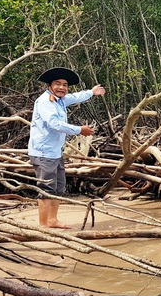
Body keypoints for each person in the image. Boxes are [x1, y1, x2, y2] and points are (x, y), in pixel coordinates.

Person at [28, 67, 105, 228]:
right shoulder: (45, 102)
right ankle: (43, 226)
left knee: (59, 186)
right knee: (46, 188)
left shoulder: (60, 99)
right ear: (49, 85)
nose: (62, 87)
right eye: (58, 84)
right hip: (43, 153)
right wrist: (79, 130)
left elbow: (76, 97)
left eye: (65, 85)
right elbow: (54, 124)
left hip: (55, 152)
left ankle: (53, 220)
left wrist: (92, 92)